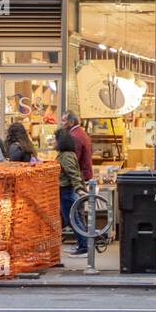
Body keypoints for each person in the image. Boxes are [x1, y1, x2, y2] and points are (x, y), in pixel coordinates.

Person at [54, 127, 89, 256]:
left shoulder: (66, 156)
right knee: (73, 218)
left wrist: (79, 189)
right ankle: (82, 245)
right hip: (66, 190)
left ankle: (84, 246)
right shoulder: (66, 154)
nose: (53, 142)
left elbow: (73, 174)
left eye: (55, 140)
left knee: (72, 219)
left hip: (67, 191)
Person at [62, 110, 93, 183]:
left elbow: (73, 160)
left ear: (71, 122)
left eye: (63, 121)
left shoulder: (74, 136)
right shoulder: (81, 132)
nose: (61, 123)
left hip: (80, 177)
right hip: (84, 175)